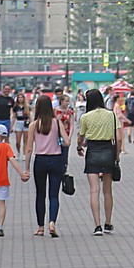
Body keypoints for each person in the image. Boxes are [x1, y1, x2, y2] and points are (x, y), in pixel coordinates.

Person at [75, 89, 121, 235]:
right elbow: (118, 138)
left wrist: (79, 147)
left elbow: (81, 137)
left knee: (94, 190)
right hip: (108, 150)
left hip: (93, 151)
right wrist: (117, 155)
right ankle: (108, 223)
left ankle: (97, 226)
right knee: (107, 191)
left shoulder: (86, 117)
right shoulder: (111, 115)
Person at [26, 93, 71, 237]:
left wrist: (26, 169)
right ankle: (52, 222)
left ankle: (40, 227)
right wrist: (58, 143)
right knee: (53, 194)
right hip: (56, 160)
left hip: (40, 160)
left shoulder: (34, 125)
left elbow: (28, 148)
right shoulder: (57, 122)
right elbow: (67, 142)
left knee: (40, 194)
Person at [12, 92, 30, 159]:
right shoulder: (16, 107)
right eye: (19, 97)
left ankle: (24, 154)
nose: (20, 99)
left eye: (21, 97)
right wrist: (12, 126)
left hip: (25, 123)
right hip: (18, 123)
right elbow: (14, 117)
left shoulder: (27, 106)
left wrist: (31, 124)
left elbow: (29, 116)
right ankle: (18, 152)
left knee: (25, 140)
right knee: (18, 141)